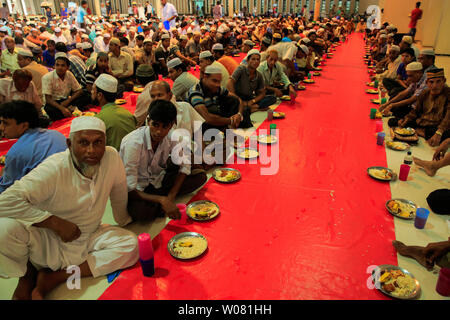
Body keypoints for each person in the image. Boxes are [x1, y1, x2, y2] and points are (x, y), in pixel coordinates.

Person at [0, 116, 139, 300]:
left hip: (89, 235)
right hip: (48, 241)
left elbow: (119, 193)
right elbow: (5, 201)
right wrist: (55, 223)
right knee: (4, 229)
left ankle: (54, 278)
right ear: (69, 143)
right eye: (83, 143)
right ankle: (26, 275)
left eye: (98, 143)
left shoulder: (111, 156)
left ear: (105, 142)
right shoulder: (54, 168)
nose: (92, 151)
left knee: (132, 245)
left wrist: (125, 220)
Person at [119, 99, 207, 222]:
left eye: (165, 126)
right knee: (141, 214)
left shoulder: (173, 136)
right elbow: (130, 188)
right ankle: (159, 202)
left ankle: (160, 203)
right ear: (148, 121)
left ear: (172, 125)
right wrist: (162, 200)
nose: (159, 131)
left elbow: (185, 167)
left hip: (158, 179)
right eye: (155, 125)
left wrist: (171, 196)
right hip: (139, 189)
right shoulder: (133, 144)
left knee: (200, 176)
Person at [0, 100, 67, 193]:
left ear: (24, 126)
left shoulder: (16, 153)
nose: (1, 127)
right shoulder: (56, 135)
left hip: (48, 199)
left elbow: (6, 190)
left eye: (5, 123)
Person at [393, 68, 450, 147]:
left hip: (438, 126)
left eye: (438, 82)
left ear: (444, 81)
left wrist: (439, 132)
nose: (434, 86)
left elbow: (447, 118)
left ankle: (420, 131)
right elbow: (416, 111)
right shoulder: (425, 93)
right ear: (427, 83)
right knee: (393, 121)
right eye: (431, 82)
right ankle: (420, 131)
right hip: (423, 122)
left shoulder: (448, 94)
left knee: (443, 134)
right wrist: (406, 119)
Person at [186, 65, 252, 132]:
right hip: (202, 125)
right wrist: (231, 120)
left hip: (218, 116)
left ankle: (230, 126)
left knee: (237, 103)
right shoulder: (196, 92)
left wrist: (239, 115)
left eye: (219, 82)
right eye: (214, 81)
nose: (217, 84)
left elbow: (238, 99)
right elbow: (207, 118)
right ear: (205, 77)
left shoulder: (217, 88)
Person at [92, 74, 136, 151]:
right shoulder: (128, 113)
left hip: (114, 160)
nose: (91, 92)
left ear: (99, 95)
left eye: (93, 90)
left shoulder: (98, 120)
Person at [42, 53, 87, 121]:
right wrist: (62, 108)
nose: (59, 67)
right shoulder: (47, 77)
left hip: (66, 100)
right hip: (54, 103)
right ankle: (67, 112)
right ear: (54, 66)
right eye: (57, 65)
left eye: (63, 65)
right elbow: (48, 99)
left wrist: (68, 101)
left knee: (85, 96)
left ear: (67, 67)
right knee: (50, 109)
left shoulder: (69, 74)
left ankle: (68, 111)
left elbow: (79, 90)